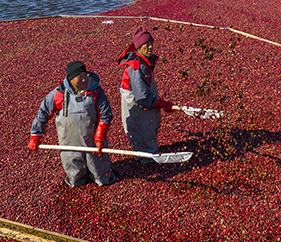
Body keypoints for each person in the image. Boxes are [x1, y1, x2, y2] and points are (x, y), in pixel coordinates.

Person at [28, 60, 117, 187]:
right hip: (69, 142)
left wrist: (99, 137)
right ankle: (77, 179)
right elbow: (43, 113)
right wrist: (35, 137)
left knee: (100, 171)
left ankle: (102, 177)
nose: (84, 80)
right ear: (70, 79)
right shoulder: (58, 95)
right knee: (75, 175)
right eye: (79, 77)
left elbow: (106, 114)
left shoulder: (96, 91)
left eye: (85, 75)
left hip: (93, 141)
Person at [116, 26, 174, 161]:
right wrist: (162, 103)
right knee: (141, 131)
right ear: (138, 47)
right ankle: (146, 158)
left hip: (146, 107)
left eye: (150, 44)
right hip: (137, 108)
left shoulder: (145, 62)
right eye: (145, 45)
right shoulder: (136, 67)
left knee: (149, 129)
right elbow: (142, 97)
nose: (149, 47)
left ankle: (149, 151)